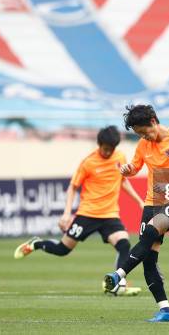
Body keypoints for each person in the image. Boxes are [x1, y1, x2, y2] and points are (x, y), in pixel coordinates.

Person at [14, 125, 145, 295]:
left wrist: (139, 201)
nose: (107, 152)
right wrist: (67, 214)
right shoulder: (88, 162)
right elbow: (73, 187)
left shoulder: (119, 157)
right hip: (87, 214)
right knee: (63, 249)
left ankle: (116, 284)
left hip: (110, 214)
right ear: (99, 145)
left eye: (111, 149)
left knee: (124, 245)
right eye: (105, 149)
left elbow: (123, 181)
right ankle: (36, 244)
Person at [102, 105, 169, 322]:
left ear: (154, 121)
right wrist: (127, 170)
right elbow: (135, 167)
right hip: (152, 202)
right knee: (148, 259)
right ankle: (166, 310)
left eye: (145, 131)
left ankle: (119, 274)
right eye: (139, 134)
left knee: (152, 228)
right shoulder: (143, 144)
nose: (143, 136)